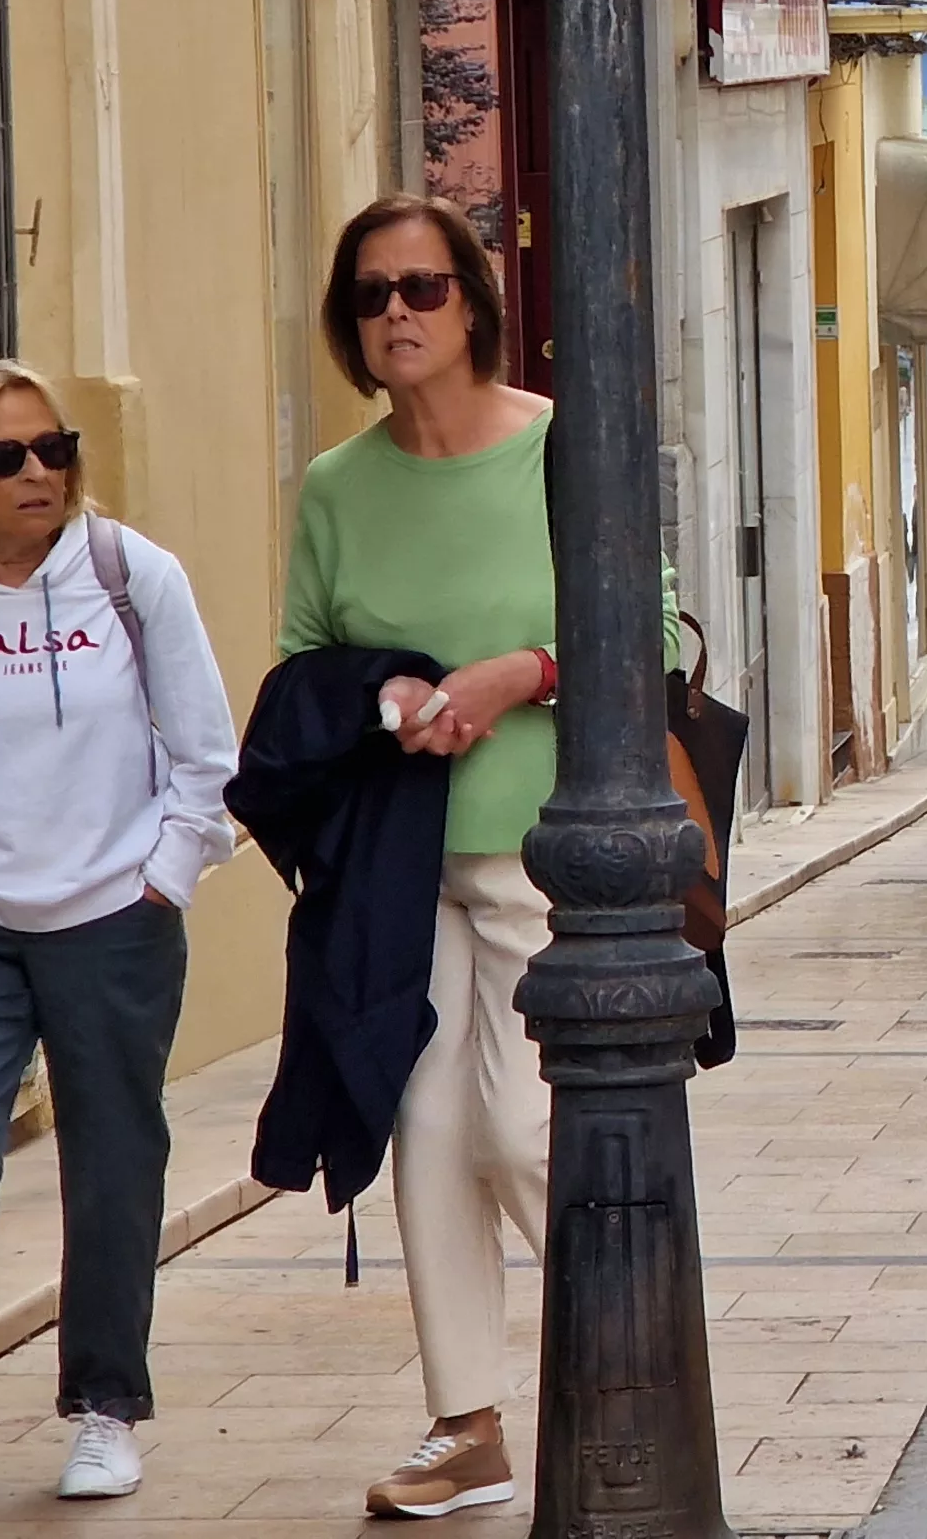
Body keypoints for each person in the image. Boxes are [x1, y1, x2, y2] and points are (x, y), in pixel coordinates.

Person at [264, 195, 611, 1516]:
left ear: (474, 302)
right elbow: (304, 658)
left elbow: (658, 634)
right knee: (421, 1128)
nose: (398, 314)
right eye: (371, 297)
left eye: (422, 289)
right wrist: (387, 702)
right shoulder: (339, 487)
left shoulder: (557, 453)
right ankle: (466, 1422)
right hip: (399, 864)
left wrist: (519, 673)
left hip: (545, 855)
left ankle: (623, 1351)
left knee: (527, 1133)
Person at [0, 363, 238, 1516]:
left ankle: (106, 1410)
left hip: (115, 913)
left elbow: (206, 752)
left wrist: (166, 875)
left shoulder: (128, 573)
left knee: (114, 1159)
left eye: (53, 449)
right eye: (6, 457)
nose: (39, 475)